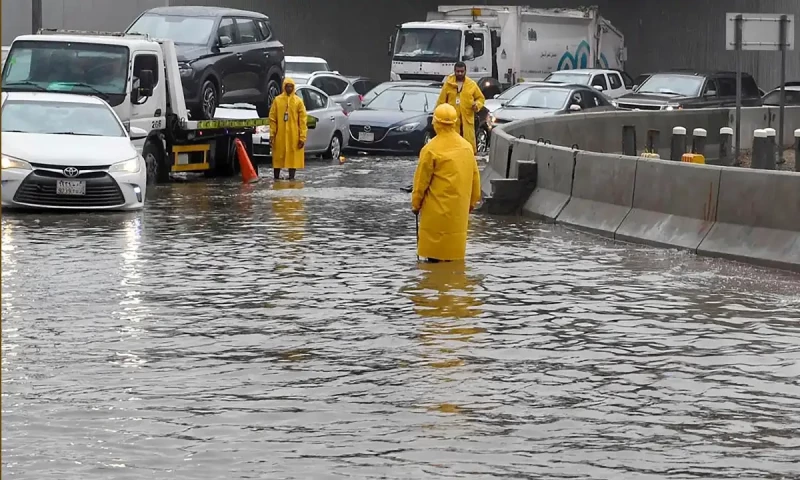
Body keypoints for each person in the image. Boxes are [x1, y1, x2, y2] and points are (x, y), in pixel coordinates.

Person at [411, 103, 481, 263]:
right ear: (455, 123)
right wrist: (471, 204)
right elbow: (475, 180)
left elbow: (421, 183)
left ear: (435, 123)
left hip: (434, 217)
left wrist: (416, 204)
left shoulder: (430, 149)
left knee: (433, 263)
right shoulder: (467, 148)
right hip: (458, 215)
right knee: (454, 262)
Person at [435, 61, 485, 155]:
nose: (460, 73)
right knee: (452, 149)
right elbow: (441, 102)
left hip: (467, 122)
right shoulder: (448, 84)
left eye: (462, 71)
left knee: (467, 149)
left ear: (465, 71)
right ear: (454, 71)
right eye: (458, 71)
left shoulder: (472, 84)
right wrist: (437, 118)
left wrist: (476, 105)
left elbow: (481, 98)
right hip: (452, 122)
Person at [268, 78, 307, 180]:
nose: (289, 88)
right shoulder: (277, 101)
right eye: (287, 86)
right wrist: (272, 135)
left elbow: (303, 121)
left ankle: (291, 178)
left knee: (293, 159)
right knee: (278, 158)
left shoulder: (298, 102)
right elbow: (272, 119)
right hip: (279, 135)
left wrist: (302, 137)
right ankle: (276, 178)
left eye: (291, 86)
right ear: (284, 87)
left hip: (294, 136)